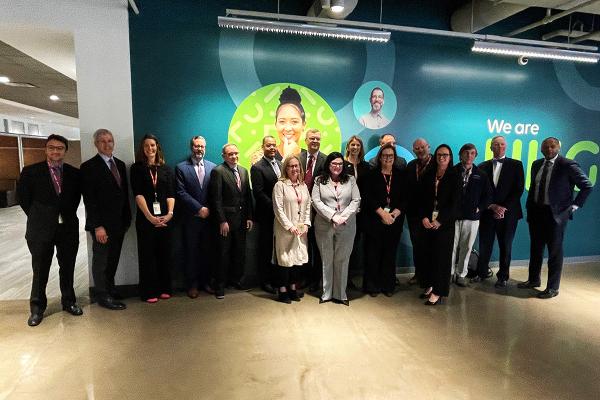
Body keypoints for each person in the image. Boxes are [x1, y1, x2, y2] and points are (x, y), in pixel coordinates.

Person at [17, 134, 83, 326]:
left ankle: (69, 302)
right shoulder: (30, 172)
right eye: (52, 147)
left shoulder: (74, 173)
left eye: (60, 148)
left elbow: (75, 199)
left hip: (68, 228)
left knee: (68, 266)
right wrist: (41, 216)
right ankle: (37, 308)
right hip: (40, 229)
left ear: (65, 151)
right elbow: (24, 200)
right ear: (46, 149)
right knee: (40, 269)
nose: (56, 151)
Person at [518, 137, 592, 299]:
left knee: (555, 252)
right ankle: (533, 280)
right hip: (536, 212)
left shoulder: (567, 165)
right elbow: (534, 187)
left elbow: (587, 185)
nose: (549, 149)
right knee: (535, 249)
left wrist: (574, 206)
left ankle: (552, 287)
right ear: (541, 149)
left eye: (552, 146)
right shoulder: (536, 164)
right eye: (546, 147)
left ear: (558, 147)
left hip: (556, 216)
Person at [81, 128, 131, 310]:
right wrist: (97, 226)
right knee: (101, 261)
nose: (107, 144)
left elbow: (123, 195)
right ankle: (102, 295)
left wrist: (126, 220)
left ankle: (110, 289)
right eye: (103, 141)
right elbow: (90, 200)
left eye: (110, 140)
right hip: (102, 226)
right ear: (96, 144)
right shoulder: (88, 167)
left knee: (113, 259)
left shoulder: (119, 164)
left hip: (119, 223)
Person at [472, 135, 524, 287]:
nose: (499, 147)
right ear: (490, 147)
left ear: (506, 146)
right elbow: (480, 192)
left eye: (502, 144)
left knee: (505, 246)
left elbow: (518, 189)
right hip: (487, 213)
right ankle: (481, 273)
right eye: (496, 144)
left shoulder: (516, 165)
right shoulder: (482, 166)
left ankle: (503, 277)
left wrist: (503, 208)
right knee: (484, 245)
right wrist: (491, 206)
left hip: (508, 214)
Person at [130, 134, 176, 303]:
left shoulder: (166, 169)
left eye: (153, 145)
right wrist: (149, 217)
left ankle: (165, 288)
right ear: (142, 149)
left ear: (158, 147)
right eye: (147, 146)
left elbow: (171, 194)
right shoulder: (136, 168)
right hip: (146, 221)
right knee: (147, 256)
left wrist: (169, 215)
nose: (150, 148)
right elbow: (138, 195)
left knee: (164, 255)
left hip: (166, 219)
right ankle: (149, 291)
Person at [312, 152, 361, 306]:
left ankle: (340, 294)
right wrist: (333, 216)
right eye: (334, 163)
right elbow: (316, 201)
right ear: (328, 164)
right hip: (324, 225)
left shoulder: (351, 180)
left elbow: (356, 200)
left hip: (346, 226)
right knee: (326, 259)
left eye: (340, 164)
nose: (337, 166)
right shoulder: (319, 180)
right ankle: (326, 293)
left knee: (342, 259)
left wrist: (343, 217)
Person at [209, 143, 254, 299]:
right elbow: (216, 199)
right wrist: (222, 220)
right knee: (223, 254)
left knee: (239, 253)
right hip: (226, 223)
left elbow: (247, 196)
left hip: (241, 221)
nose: (234, 156)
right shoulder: (218, 172)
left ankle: (236, 281)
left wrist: (249, 216)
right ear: (224, 156)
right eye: (230, 154)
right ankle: (219, 286)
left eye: (236, 153)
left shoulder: (243, 171)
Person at [417, 144, 459, 306]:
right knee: (427, 255)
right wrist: (424, 218)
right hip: (427, 223)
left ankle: (438, 291)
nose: (442, 157)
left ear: (450, 157)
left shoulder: (454, 175)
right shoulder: (428, 174)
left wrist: (440, 220)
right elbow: (420, 199)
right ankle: (430, 285)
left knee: (441, 258)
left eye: (446, 155)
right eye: (439, 154)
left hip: (444, 225)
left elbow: (455, 204)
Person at [362, 143, 405, 297]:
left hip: (394, 222)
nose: (388, 158)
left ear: (395, 158)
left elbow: (405, 198)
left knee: (389, 255)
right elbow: (367, 197)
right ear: (380, 157)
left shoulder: (401, 175)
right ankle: (372, 286)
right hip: (374, 221)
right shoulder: (371, 175)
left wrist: (394, 214)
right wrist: (383, 214)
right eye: (385, 155)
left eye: (391, 156)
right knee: (373, 254)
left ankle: (388, 285)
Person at [175, 135, 216, 298]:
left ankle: (206, 282)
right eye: (196, 146)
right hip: (191, 218)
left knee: (207, 252)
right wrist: (199, 208)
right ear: (191, 147)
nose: (199, 149)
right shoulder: (181, 167)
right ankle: (192, 285)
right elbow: (180, 192)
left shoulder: (213, 167)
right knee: (191, 252)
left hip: (209, 219)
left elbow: (215, 193)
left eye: (202, 147)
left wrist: (209, 209)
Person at [272, 155, 312, 304]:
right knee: (284, 261)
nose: (294, 169)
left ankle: (293, 288)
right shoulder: (280, 185)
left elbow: (308, 206)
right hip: (285, 230)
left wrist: (306, 223)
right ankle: (282, 291)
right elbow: (278, 209)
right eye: (291, 166)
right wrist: (290, 226)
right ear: (285, 169)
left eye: (296, 166)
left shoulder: (303, 186)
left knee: (297, 261)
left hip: (301, 231)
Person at [451, 143, 491, 287]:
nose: (469, 156)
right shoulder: (451, 171)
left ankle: (461, 274)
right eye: (466, 153)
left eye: (472, 153)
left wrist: (480, 208)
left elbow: (488, 196)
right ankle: (449, 273)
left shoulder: (481, 174)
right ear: (460, 154)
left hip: (472, 218)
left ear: (475, 155)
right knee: (451, 247)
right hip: (453, 217)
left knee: (467, 247)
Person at [250, 136, 282, 294]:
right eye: (268, 145)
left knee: (279, 249)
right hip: (267, 216)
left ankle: (278, 279)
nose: (272, 148)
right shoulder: (257, 167)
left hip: (282, 217)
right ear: (263, 147)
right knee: (266, 248)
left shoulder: (282, 164)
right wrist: (276, 208)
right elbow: (258, 193)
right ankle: (265, 280)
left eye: (274, 145)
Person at [299, 128, 327, 291]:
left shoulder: (325, 159)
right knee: (303, 245)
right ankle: (304, 277)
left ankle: (317, 278)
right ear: (306, 141)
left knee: (318, 246)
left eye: (317, 139)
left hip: (319, 211)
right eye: (312, 138)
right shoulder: (298, 158)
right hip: (300, 211)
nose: (315, 141)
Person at [404, 138, 434, 285]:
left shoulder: (438, 164)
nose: (420, 150)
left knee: (431, 246)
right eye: (417, 148)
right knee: (417, 245)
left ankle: (431, 277)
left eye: (423, 147)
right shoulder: (411, 166)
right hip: (414, 215)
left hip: (432, 215)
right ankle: (419, 274)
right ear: (413, 150)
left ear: (428, 147)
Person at [343, 135, 370, 290]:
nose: (355, 147)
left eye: (358, 145)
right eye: (352, 145)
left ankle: (351, 277)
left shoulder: (365, 166)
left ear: (361, 148)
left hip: (362, 214)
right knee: (345, 246)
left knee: (356, 247)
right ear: (348, 147)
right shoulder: (342, 165)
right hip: (347, 212)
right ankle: (343, 278)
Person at [275, 86, 306, 159]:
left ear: (303, 125)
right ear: (276, 124)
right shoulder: (262, 156)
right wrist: (286, 157)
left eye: (294, 122)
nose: (288, 128)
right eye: (282, 121)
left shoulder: (310, 159)